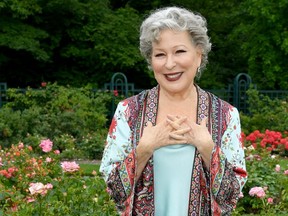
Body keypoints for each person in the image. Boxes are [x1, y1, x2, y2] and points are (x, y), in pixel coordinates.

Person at [100, 6, 247, 216]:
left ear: (198, 55)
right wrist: (144, 149)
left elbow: (231, 196)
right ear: (151, 60)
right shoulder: (129, 111)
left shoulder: (225, 114)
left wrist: (207, 148)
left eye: (179, 51)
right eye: (160, 54)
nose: (170, 64)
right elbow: (113, 192)